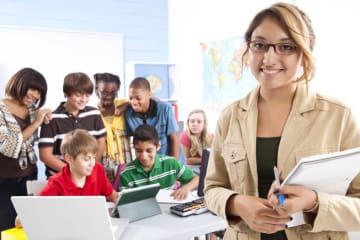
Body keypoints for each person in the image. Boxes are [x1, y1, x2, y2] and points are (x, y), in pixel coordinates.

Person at [204, 2, 360, 240]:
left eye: (285, 47)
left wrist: (315, 202)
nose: (269, 57)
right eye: (259, 45)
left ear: (304, 54)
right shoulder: (230, 116)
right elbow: (213, 188)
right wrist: (237, 203)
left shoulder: (338, 116)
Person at [15, 129, 118, 228]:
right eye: (87, 159)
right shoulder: (57, 183)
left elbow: (113, 196)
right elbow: (22, 218)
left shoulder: (98, 170)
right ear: (68, 158)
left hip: (94, 227)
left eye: (93, 158)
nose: (92, 163)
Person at [0, 68, 51, 234]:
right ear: (19, 84)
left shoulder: (31, 111)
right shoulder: (1, 109)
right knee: (6, 226)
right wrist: (36, 123)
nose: (35, 96)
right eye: (33, 89)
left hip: (29, 175)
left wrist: (45, 117)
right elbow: (8, 146)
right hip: (4, 179)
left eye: (39, 93)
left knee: (28, 224)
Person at [39, 72, 106, 178]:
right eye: (78, 95)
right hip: (60, 178)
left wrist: (89, 167)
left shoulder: (94, 114)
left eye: (87, 95)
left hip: (87, 177)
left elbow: (101, 143)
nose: (83, 100)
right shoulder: (52, 119)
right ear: (66, 93)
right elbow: (45, 155)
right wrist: (72, 172)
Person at [120, 124, 199, 200]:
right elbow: (125, 204)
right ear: (134, 148)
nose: (144, 156)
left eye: (149, 151)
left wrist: (186, 188)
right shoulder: (126, 174)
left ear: (158, 146)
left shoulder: (171, 163)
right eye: (139, 151)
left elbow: (196, 178)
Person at [124, 77, 179, 159]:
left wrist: (175, 165)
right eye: (131, 98)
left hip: (166, 161)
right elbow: (131, 141)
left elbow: (174, 139)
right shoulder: (128, 114)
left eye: (138, 98)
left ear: (149, 94)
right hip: (145, 162)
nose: (133, 102)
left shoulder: (165, 109)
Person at [94, 72, 132, 185]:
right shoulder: (93, 112)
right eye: (104, 92)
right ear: (96, 89)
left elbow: (147, 99)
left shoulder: (123, 104)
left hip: (125, 161)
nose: (109, 96)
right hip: (103, 163)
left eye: (113, 92)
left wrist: (125, 106)